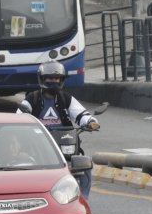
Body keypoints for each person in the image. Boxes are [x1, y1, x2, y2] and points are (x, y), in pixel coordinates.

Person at [17, 61, 100, 196]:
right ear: (42, 79)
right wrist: (22, 125)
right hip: (37, 147)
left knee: (84, 166)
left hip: (64, 145)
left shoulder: (66, 98)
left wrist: (90, 121)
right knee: (22, 165)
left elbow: (80, 114)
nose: (53, 81)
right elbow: (19, 117)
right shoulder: (32, 98)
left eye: (57, 78)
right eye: (50, 78)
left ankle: (84, 201)